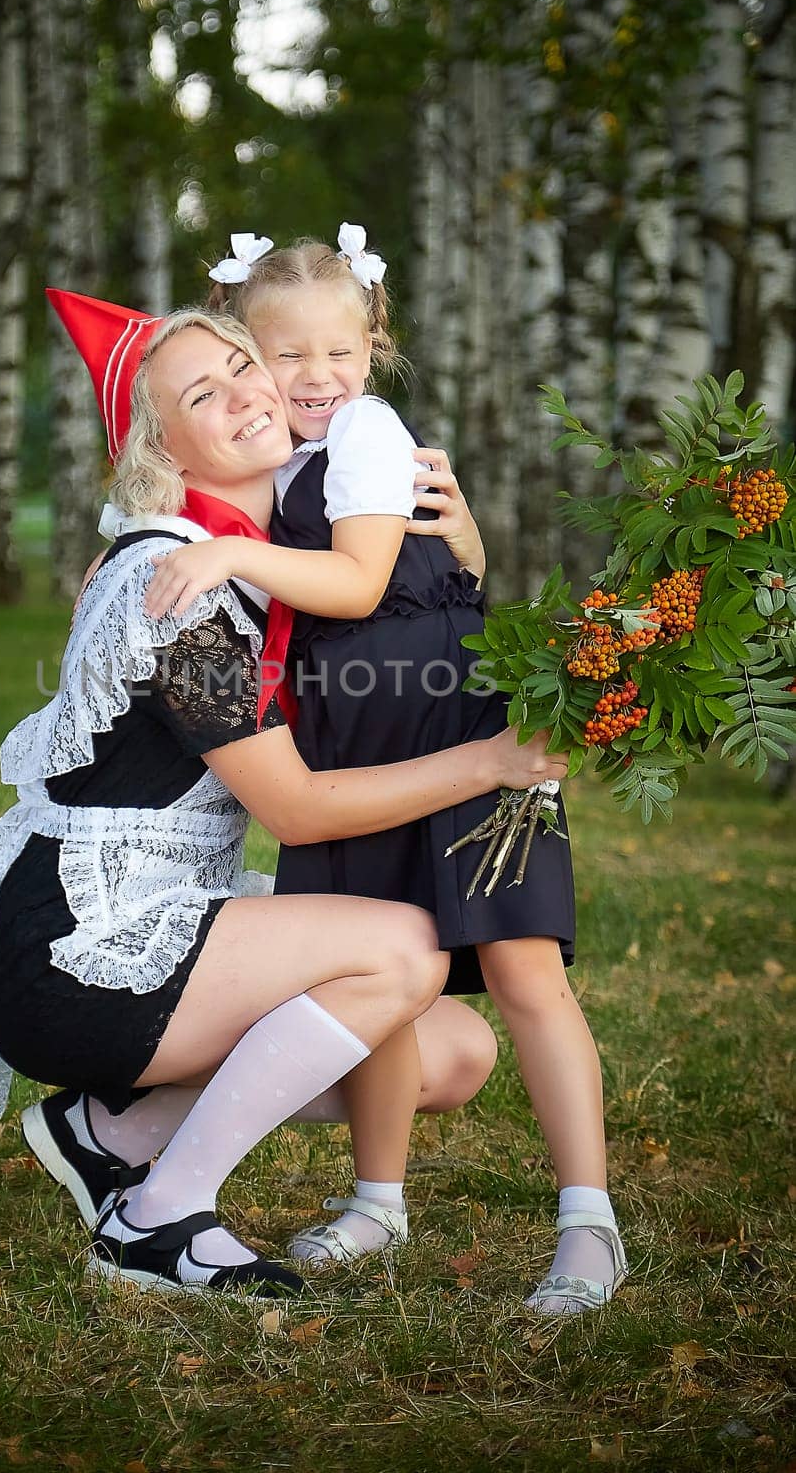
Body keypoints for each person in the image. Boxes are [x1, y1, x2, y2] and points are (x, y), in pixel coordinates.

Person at [0, 295, 569, 1300]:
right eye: (203, 393)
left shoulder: (259, 565)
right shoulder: (177, 584)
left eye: (244, 364)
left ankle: (107, 1127)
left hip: (174, 915)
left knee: (455, 1051)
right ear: (160, 450)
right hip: (81, 948)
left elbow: (385, 602)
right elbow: (293, 808)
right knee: (402, 951)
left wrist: (459, 550)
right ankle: (153, 1219)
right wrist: (490, 762)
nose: (250, 394)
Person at [144, 229, 626, 1315]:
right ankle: (377, 1200)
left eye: (339, 351)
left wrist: (228, 554)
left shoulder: (365, 428)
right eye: (285, 355)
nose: (315, 378)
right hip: (351, 741)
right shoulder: (280, 462)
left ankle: (587, 1220)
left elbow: (362, 586)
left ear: (374, 347)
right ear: (241, 352)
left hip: (452, 722)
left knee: (521, 971)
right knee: (381, 980)